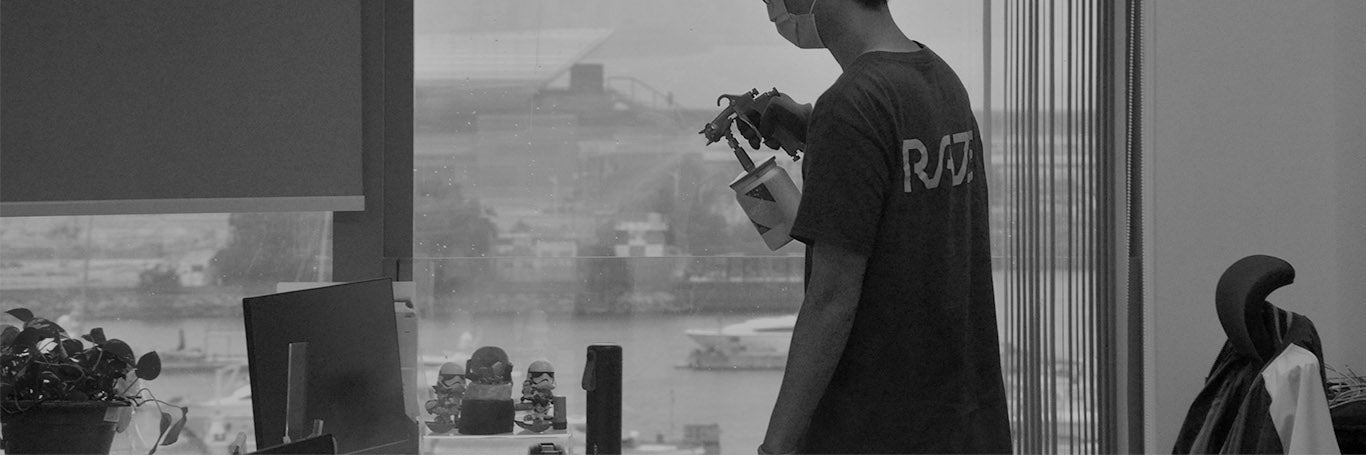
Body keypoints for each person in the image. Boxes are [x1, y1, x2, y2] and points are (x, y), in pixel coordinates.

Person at [748, 0, 1012, 453]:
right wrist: (818, 133)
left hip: (877, 427)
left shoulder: (851, 105)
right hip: (955, 422)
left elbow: (832, 299)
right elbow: (907, 185)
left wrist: (776, 445)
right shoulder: (940, 80)